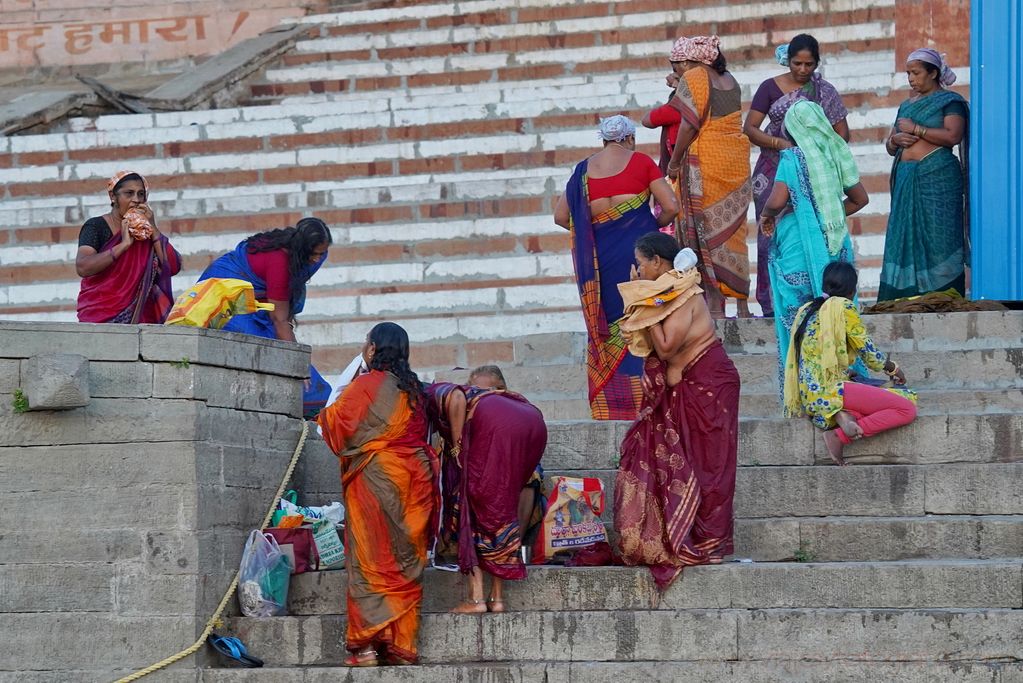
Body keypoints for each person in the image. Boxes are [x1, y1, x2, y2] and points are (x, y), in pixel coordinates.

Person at [613, 232, 740, 590]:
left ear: (657, 263)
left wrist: (645, 305)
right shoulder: (665, 294)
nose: (637, 271)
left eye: (640, 263)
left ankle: (708, 544)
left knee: (709, 465)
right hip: (688, 387)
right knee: (692, 461)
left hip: (710, 385)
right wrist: (646, 302)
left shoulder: (683, 293)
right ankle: (685, 537)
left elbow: (667, 348)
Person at [316, 322, 439, 667]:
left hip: (376, 479)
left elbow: (333, 425)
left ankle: (367, 649)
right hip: (415, 481)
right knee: (403, 561)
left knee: (372, 561)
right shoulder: (415, 389)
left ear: (373, 349)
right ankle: (400, 646)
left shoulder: (366, 385)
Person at [554, 115, 679, 420]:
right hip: (640, 257)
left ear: (603, 139)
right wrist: (650, 226)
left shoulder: (583, 171)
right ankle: (649, 400)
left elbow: (560, 217)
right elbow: (672, 207)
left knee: (609, 328)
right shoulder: (641, 162)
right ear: (630, 138)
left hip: (600, 264)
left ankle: (612, 407)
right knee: (644, 318)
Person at [759, 100, 868, 387]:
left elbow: (777, 199)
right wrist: (825, 212)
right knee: (836, 309)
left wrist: (767, 214)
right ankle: (844, 379)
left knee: (802, 314)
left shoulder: (792, 158)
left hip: (797, 240)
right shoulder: (836, 153)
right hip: (835, 242)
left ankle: (808, 384)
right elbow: (860, 199)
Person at [425, 366, 547, 613]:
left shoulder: (441, 392)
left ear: (500, 388)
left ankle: (477, 599)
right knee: (499, 516)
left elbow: (456, 398)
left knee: (471, 512)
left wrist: (458, 447)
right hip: (534, 427)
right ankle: (497, 599)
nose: (478, 393)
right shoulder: (511, 407)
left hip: (494, 455)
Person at [744, 34, 850, 317]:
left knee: (810, 229)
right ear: (787, 60)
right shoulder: (769, 88)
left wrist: (814, 149)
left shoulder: (824, 91)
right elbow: (751, 128)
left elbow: (842, 135)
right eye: (797, 63)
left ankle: (814, 297)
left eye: (809, 64)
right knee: (771, 234)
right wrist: (782, 145)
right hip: (772, 169)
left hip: (811, 172)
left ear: (817, 63)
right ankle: (771, 303)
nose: (803, 70)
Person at [785, 262, 917, 465]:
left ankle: (842, 415)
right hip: (831, 389)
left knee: (870, 393)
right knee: (906, 408)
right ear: (852, 289)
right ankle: (838, 435)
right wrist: (894, 368)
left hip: (809, 397)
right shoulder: (843, 306)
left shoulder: (806, 310)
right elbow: (868, 352)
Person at [198, 217, 333, 417]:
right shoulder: (280, 262)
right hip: (224, 296)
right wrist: (298, 366)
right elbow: (279, 320)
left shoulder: (313, 257)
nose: (317, 259)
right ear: (301, 250)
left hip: (259, 300)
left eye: (321, 253)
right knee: (264, 344)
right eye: (313, 254)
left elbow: (285, 305)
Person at [663, 35, 752, 319]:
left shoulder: (696, 76)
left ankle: (715, 306)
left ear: (689, 61)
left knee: (705, 235)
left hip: (707, 161)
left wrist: (674, 163)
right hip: (735, 162)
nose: (676, 72)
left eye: (676, 66)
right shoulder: (730, 79)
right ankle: (742, 304)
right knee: (734, 234)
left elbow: (689, 125)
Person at [878, 48, 969, 301]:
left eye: (916, 73)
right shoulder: (906, 105)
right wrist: (895, 140)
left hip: (937, 178)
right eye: (908, 73)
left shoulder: (950, 102)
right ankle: (903, 296)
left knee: (940, 237)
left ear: (933, 72)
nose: (911, 78)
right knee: (903, 237)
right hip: (907, 178)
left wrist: (917, 129)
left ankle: (943, 295)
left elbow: (953, 135)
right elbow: (889, 146)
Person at [76, 171, 181, 323]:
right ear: (113, 196)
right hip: (100, 316)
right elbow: (83, 267)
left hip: (141, 319)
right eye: (129, 194)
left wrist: (153, 227)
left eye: (141, 194)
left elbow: (172, 266)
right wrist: (123, 245)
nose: (136, 200)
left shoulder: (146, 233)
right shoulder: (96, 226)